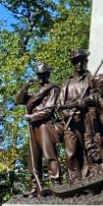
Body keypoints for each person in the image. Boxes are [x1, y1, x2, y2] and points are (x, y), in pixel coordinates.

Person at [15, 62, 61, 195]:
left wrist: (32, 116)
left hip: (45, 125)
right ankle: (35, 186)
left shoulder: (53, 89)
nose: (40, 78)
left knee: (49, 154)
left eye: (43, 75)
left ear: (47, 74)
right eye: (38, 75)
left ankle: (56, 182)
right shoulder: (35, 92)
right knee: (33, 158)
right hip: (33, 126)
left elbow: (49, 110)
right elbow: (19, 100)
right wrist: (25, 87)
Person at [58, 49, 95, 185]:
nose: (79, 64)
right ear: (73, 63)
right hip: (70, 122)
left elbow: (95, 99)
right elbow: (60, 105)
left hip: (86, 121)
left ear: (85, 62)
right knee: (71, 153)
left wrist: (83, 107)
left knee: (89, 152)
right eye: (76, 61)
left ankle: (90, 181)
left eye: (82, 61)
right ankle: (74, 183)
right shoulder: (67, 82)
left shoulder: (91, 80)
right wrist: (67, 114)